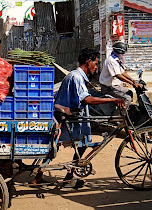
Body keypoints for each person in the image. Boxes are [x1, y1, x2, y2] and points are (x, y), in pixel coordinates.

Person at [32, 48, 124, 187]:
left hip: (73, 117)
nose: (96, 66)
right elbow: (86, 99)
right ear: (88, 62)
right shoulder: (76, 77)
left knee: (82, 144)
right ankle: (40, 175)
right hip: (67, 118)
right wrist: (112, 100)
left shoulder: (77, 76)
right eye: (95, 63)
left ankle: (69, 176)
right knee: (56, 146)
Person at [99, 42, 142, 107]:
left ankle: (126, 109)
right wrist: (132, 83)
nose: (123, 55)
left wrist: (133, 80)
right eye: (122, 53)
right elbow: (118, 75)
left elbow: (122, 72)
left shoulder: (116, 60)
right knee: (127, 98)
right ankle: (120, 115)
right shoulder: (111, 61)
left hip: (115, 87)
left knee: (129, 92)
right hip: (109, 88)